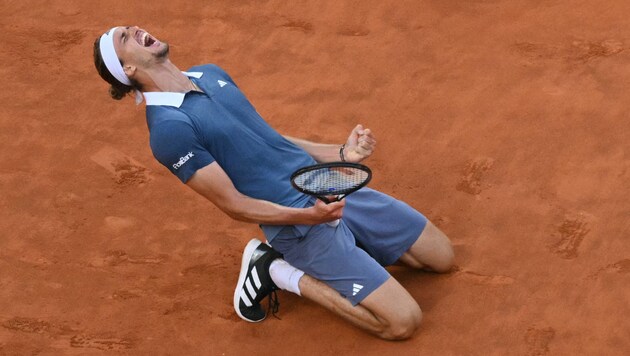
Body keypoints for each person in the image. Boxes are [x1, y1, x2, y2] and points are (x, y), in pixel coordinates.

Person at [93, 26, 455, 340]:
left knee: (441, 257)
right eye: (125, 37)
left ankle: (349, 251)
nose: (135, 29)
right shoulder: (170, 130)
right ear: (128, 68)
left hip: (324, 185)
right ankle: (278, 270)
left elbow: (268, 138)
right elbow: (233, 204)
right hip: (299, 225)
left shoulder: (209, 74)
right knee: (402, 322)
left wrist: (340, 152)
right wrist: (309, 217)